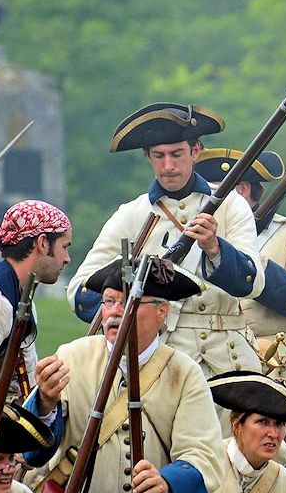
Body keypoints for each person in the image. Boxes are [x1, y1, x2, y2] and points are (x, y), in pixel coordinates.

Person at [26, 256, 224, 493]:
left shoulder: (185, 373)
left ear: (162, 312)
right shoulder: (71, 356)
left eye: (128, 302)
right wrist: (44, 402)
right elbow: (34, 453)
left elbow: (203, 456)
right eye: (108, 302)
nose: (115, 311)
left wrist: (167, 482)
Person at [66, 102, 265, 382]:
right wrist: (134, 296)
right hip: (159, 361)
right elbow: (80, 293)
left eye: (176, 154)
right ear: (148, 156)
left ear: (195, 151)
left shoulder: (231, 205)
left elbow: (253, 283)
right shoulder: (131, 215)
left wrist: (214, 249)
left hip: (227, 360)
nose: (168, 166)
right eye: (159, 156)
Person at [195, 148, 286, 491]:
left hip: (274, 372)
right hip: (206, 371)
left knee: (273, 487)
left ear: (243, 192)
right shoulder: (192, 240)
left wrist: (248, 269)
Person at [0, 199, 72, 392]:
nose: (67, 258)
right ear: (43, 243)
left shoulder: (22, 300)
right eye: (64, 246)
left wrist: (45, 399)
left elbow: (22, 388)